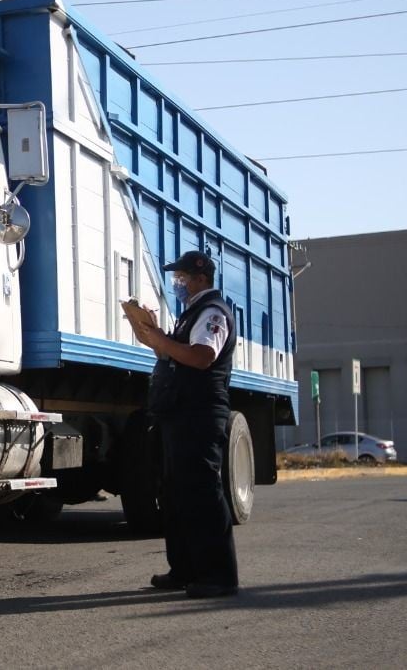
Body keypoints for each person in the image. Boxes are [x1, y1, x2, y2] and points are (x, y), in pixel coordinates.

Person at [131, 250, 239, 599]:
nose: (177, 283)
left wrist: (162, 341)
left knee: (203, 492)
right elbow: (172, 354)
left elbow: (202, 357)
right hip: (179, 412)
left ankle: (220, 577)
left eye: (182, 278)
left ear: (201, 278)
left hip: (200, 413)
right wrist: (151, 332)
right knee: (176, 494)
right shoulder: (189, 315)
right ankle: (184, 570)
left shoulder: (212, 313)